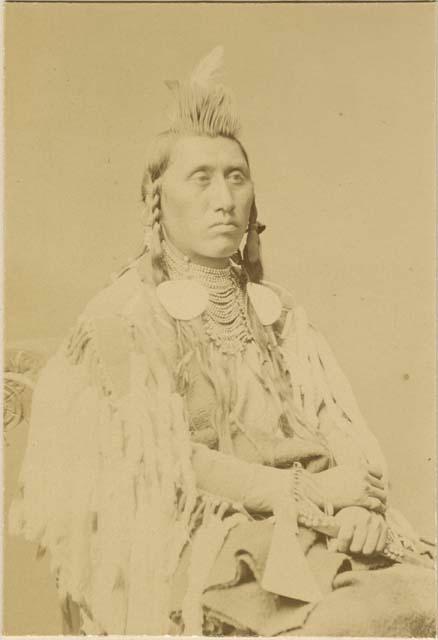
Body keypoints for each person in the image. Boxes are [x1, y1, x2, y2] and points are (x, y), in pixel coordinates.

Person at [9, 47, 435, 637]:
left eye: (236, 177)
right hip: (208, 533)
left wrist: (360, 505)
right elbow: (163, 463)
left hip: (324, 522)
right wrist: (305, 490)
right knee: (361, 620)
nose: (223, 197)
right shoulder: (124, 317)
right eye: (200, 178)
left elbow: (339, 425)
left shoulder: (282, 313)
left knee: (424, 599)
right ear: (158, 201)